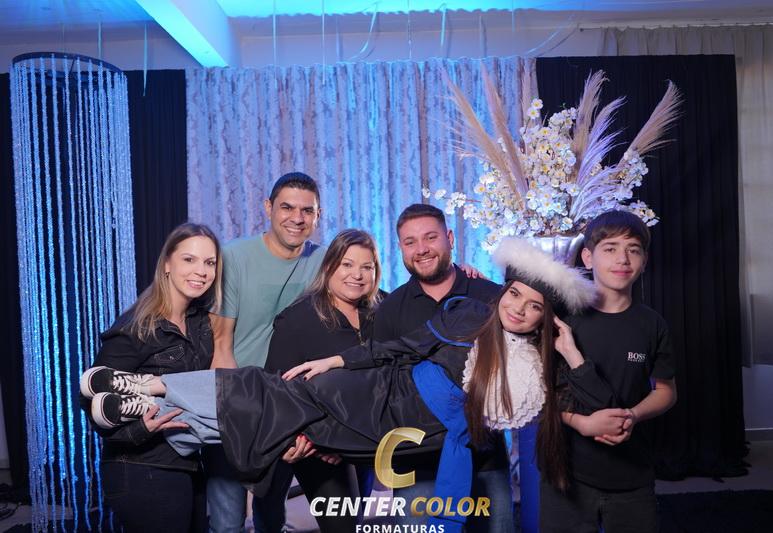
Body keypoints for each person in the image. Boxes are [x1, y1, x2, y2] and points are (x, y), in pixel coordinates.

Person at [81, 236, 597, 531]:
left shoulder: (539, 367)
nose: (518, 308)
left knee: (266, 420)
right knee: (266, 395)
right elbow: (403, 347)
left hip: (407, 440)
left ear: (547, 318)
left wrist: (571, 351)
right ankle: (149, 389)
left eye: (534, 306)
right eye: (514, 296)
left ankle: (148, 399)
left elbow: (588, 404)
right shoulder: (470, 317)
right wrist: (335, 362)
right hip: (379, 397)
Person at [372, 203, 510, 532]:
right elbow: (381, 384)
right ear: (401, 248)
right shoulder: (390, 309)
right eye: (410, 242)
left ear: (450, 238)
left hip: (485, 457)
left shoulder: (492, 297)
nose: (421, 249)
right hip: (415, 462)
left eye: (430, 237)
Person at [539, 210, 677, 533]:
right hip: (567, 474)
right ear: (588, 257)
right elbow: (540, 395)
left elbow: (666, 391)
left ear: (644, 261)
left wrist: (632, 415)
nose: (622, 259)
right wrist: (582, 423)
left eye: (633, 250)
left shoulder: (652, 324)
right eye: (610, 248)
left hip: (632, 474)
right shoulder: (563, 319)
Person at [79, 222, 222, 533]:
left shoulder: (200, 323)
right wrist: (142, 429)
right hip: (142, 469)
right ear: (167, 264)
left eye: (209, 262)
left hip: (188, 462)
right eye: (189, 259)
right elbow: (90, 401)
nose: (201, 271)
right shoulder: (136, 327)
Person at [207, 171, 327, 533]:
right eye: (287, 207)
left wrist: (460, 276)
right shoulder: (233, 257)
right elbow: (221, 346)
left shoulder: (325, 261)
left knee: (271, 513)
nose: (297, 218)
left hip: (288, 407)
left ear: (318, 215)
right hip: (236, 400)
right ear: (268, 207)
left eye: (307, 210)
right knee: (227, 520)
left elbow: (371, 298)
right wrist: (239, 416)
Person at [264, 229, 384, 532]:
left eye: (366, 267)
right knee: (341, 527)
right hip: (320, 448)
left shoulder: (383, 310)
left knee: (355, 521)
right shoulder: (298, 319)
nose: (357, 275)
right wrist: (316, 442)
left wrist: (464, 274)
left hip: (366, 442)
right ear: (329, 266)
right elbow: (277, 390)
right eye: (347, 264)